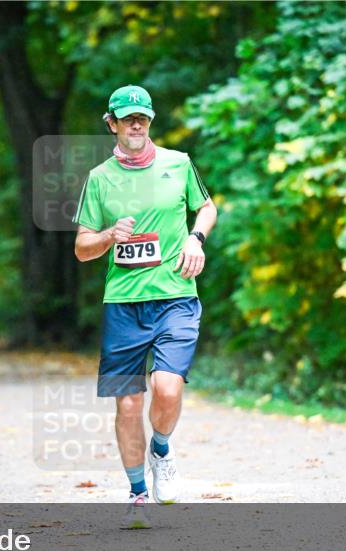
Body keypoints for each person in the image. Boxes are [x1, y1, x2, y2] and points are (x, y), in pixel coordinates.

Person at [73, 85, 217, 528]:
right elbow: (81, 248)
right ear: (112, 124)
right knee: (129, 405)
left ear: (150, 122)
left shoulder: (179, 163)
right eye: (128, 118)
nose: (137, 124)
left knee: (168, 388)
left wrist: (196, 238)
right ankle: (137, 492)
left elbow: (207, 208)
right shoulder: (99, 179)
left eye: (144, 118)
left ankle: (162, 450)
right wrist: (107, 236)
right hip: (124, 304)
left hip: (176, 296)